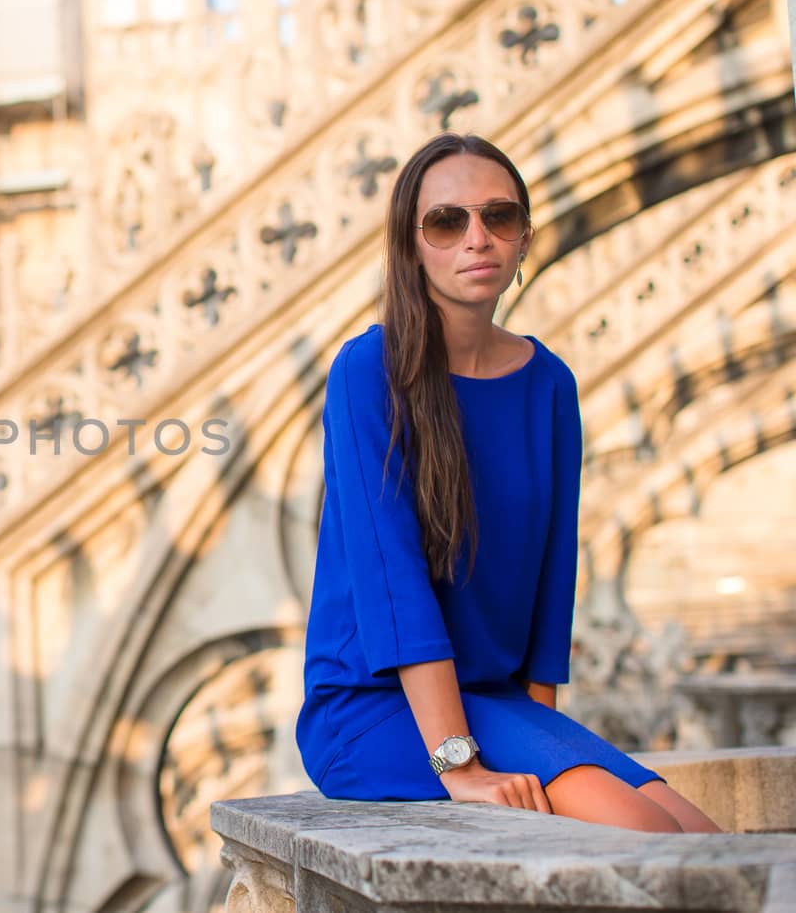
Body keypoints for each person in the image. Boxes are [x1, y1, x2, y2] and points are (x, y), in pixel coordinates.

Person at [293, 132, 721, 833]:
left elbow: (554, 579)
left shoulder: (548, 383)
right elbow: (393, 582)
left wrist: (546, 748)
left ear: (525, 238)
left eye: (499, 217)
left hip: (495, 704)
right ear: (412, 244)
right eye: (446, 221)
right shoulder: (369, 372)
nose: (477, 238)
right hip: (372, 711)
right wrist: (459, 765)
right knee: (644, 833)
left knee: (697, 833)